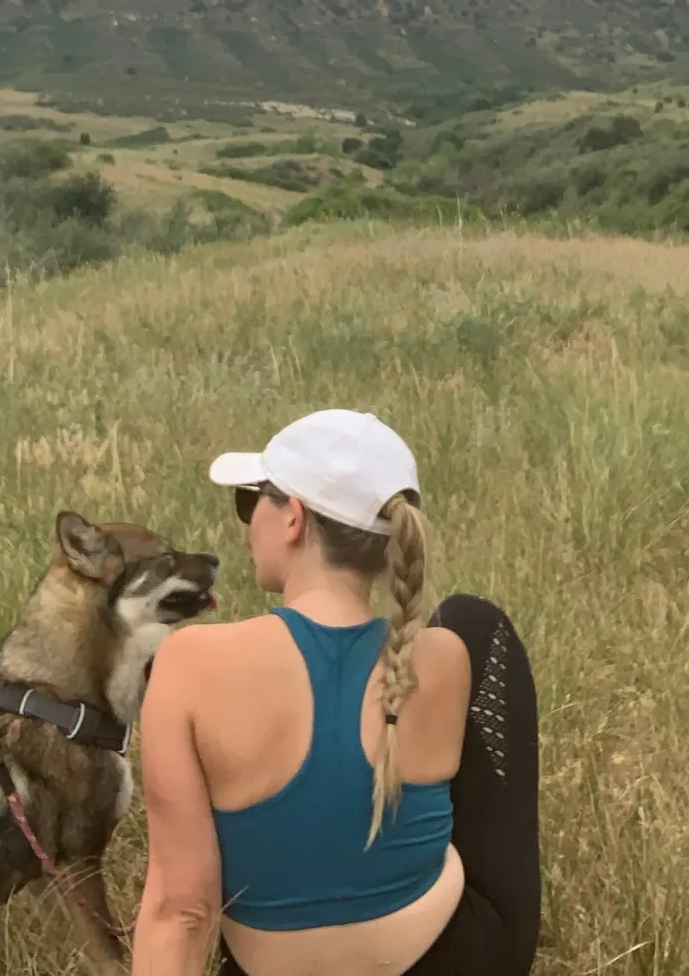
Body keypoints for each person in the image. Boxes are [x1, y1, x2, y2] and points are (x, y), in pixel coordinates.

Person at [128, 409, 540, 976]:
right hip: (455, 957)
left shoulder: (190, 663)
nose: (247, 524)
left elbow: (183, 910)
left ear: (293, 518)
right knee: (474, 619)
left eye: (251, 503)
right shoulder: (445, 659)